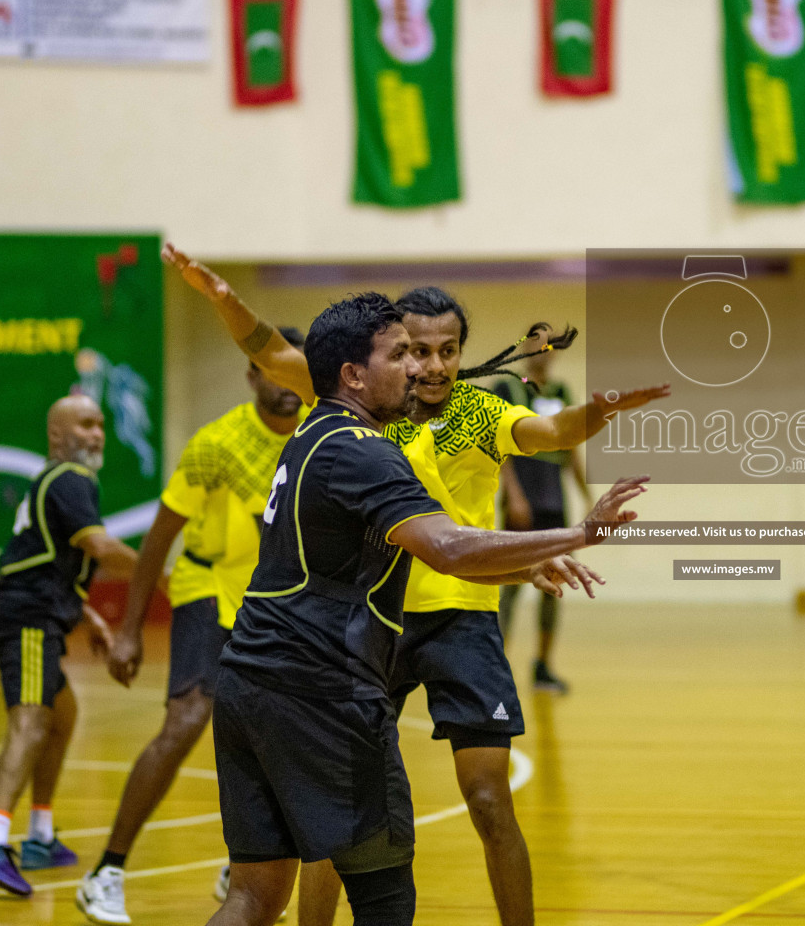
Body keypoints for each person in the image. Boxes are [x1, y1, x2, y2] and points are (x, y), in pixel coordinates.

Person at [161, 244, 668, 926]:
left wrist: (598, 414)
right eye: (408, 351)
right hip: (351, 648)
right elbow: (448, 544)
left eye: (438, 351)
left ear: (460, 354)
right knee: (356, 859)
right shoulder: (365, 436)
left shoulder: (450, 414)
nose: (424, 365)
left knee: (474, 804)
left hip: (404, 627)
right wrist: (224, 298)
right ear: (361, 371)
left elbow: (549, 431)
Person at [76, 331, 308, 926]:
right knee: (185, 721)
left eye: (294, 372)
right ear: (251, 376)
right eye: (269, 371)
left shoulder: (319, 437)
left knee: (278, 736)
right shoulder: (218, 442)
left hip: (272, 606)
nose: (283, 384)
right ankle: (107, 870)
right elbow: (159, 536)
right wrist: (129, 629)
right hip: (205, 590)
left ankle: (246, 864)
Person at [0, 395, 137, 896]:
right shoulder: (70, 479)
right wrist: (160, 574)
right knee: (33, 719)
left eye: (100, 423)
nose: (97, 432)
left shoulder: (57, 481)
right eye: (84, 424)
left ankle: (39, 835)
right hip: (28, 620)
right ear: (57, 436)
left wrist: (91, 615)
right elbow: (98, 547)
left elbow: (44, 562)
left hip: (33, 611)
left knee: (63, 716)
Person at [492, 324, 591, 695]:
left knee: (555, 583)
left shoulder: (562, 391)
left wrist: (587, 495)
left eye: (551, 344)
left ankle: (543, 667)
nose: (545, 349)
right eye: (538, 341)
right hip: (523, 503)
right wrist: (513, 495)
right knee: (511, 586)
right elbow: (498, 448)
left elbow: (572, 446)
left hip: (553, 501)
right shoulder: (507, 388)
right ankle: (497, 671)